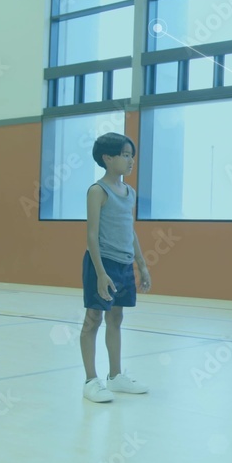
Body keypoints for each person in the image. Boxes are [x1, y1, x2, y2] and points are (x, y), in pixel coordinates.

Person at [80, 132, 152, 403]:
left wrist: (141, 265)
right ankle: (90, 379)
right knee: (92, 320)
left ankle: (115, 376)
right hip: (103, 264)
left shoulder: (129, 192)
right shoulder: (97, 191)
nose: (130, 160)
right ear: (107, 158)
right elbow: (91, 235)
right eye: (124, 155)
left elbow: (129, 230)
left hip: (123, 264)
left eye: (131, 155)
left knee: (116, 319)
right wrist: (100, 273)